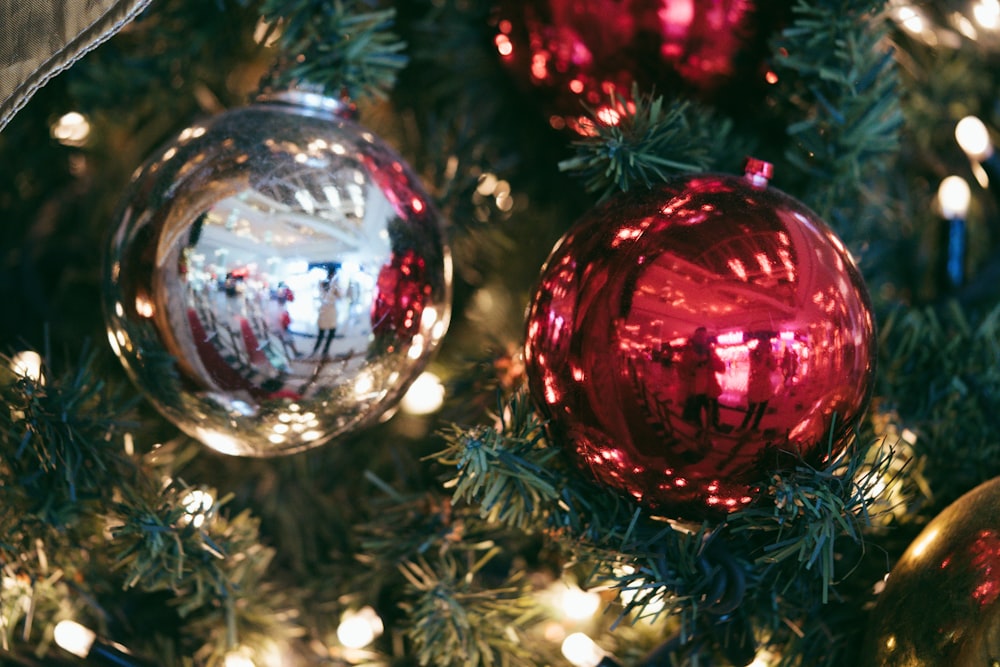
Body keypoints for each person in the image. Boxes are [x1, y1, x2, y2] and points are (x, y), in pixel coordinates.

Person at [680, 327, 725, 429]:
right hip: (694, 390)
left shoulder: (710, 352)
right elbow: (682, 372)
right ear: (694, 338)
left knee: (713, 413)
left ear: (706, 338)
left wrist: (711, 359)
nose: (701, 339)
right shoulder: (688, 353)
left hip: (710, 389)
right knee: (695, 414)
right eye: (699, 336)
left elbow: (721, 368)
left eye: (704, 337)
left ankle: (714, 427)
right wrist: (692, 366)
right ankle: (699, 429)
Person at [740, 338, 777, 431]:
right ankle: (744, 425)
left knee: (762, 409)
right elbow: (757, 370)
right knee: (751, 408)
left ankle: (755, 426)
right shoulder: (753, 356)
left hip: (765, 387)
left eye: (766, 346)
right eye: (762, 346)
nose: (764, 348)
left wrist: (770, 359)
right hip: (755, 386)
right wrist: (765, 359)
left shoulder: (769, 356)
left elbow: (773, 368)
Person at [312, 278, 341, 358]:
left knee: (331, 333)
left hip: (331, 314)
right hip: (324, 314)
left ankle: (325, 351)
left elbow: (340, 296)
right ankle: (315, 351)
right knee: (321, 334)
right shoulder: (322, 287)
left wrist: (336, 288)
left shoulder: (334, 289)